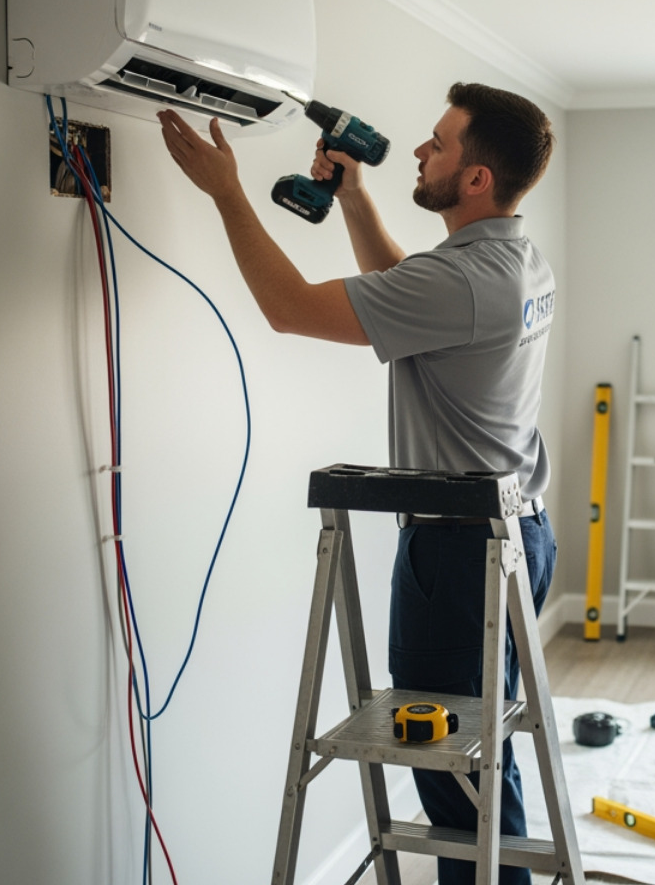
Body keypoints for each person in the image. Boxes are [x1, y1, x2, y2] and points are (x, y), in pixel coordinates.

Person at [157, 82, 557, 885]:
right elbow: (408, 292)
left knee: (454, 778)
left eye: (438, 143)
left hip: (459, 554)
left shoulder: (467, 281)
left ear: (476, 179)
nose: (419, 150)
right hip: (519, 532)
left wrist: (227, 193)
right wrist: (354, 203)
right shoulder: (508, 257)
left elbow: (286, 307)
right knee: (480, 753)